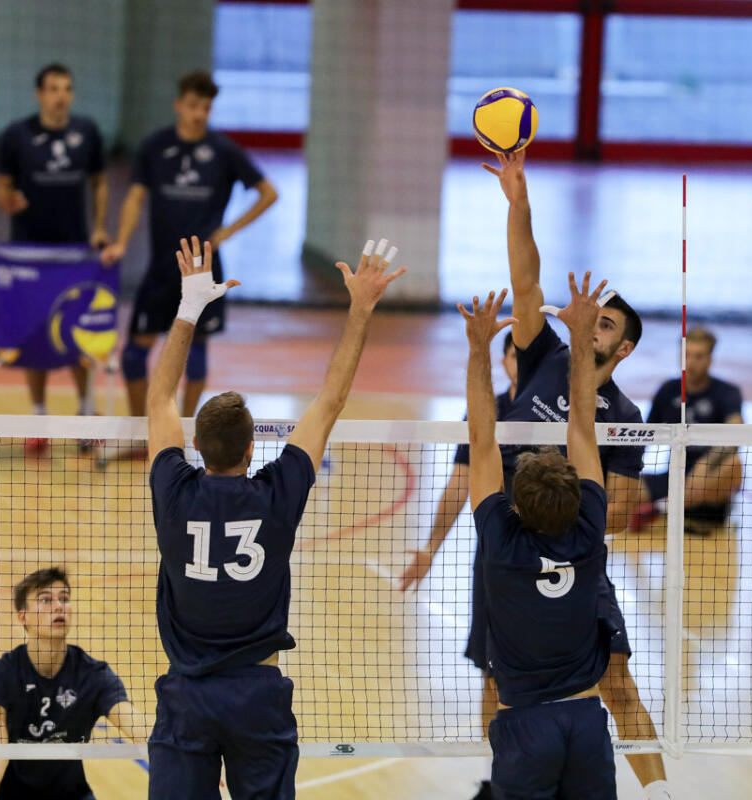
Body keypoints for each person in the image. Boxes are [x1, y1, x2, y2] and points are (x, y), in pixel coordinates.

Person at [144, 235, 404, 799]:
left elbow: (160, 399)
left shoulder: (173, 492)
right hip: (257, 696)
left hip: (187, 694)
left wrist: (190, 305)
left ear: (196, 445)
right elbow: (329, 402)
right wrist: (361, 308)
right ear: (250, 450)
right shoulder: (277, 495)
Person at [476, 151, 672, 800]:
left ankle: (660, 793)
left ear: (623, 347)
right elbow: (526, 280)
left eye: (605, 323)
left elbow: (619, 506)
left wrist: (564, 517)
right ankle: (503, 781)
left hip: (577, 561)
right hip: (507, 548)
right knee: (497, 682)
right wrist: (519, 203)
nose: (592, 324)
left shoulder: (624, 416)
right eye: (592, 316)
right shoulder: (544, 357)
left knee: (618, 683)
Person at [462, 275, 616, 799]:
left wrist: (479, 349)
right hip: (586, 722)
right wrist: (580, 341)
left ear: (517, 506)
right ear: (578, 497)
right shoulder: (589, 532)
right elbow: (582, 427)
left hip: (525, 726)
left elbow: (481, 439)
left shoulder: (501, 545)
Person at [102, 70, 278, 425]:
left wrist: (228, 231)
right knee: (134, 354)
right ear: (179, 104)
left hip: (203, 270)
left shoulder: (224, 151)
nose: (199, 114)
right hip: (161, 268)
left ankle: (182, 432)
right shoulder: (154, 146)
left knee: (196, 354)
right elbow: (135, 197)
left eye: (206, 108)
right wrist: (121, 242)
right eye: (194, 105)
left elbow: (268, 193)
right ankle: (141, 433)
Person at [0, 63, 110, 453]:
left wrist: (99, 227)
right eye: (54, 89)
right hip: (29, 252)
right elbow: (1, 188)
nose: (61, 95)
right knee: (35, 335)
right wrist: (9, 199)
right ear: (39, 94)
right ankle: (39, 418)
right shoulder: (17, 135)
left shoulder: (87, 132)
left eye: (67, 88)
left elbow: (100, 181)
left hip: (75, 252)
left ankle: (85, 414)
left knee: (78, 332)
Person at [0, 567, 149, 800]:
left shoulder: (94, 675)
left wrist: (176, 751)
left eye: (64, 598)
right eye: (45, 600)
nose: (59, 606)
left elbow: (134, 722)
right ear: (23, 617)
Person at [399, 332, 517, 593]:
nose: (522, 365)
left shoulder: (557, 411)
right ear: (504, 361)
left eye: (529, 358)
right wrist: (431, 549)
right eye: (515, 356)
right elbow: (459, 484)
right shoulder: (488, 410)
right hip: (492, 552)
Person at [637, 326, 744, 532]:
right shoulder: (668, 390)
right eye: (686, 355)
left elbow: (735, 434)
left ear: (710, 359)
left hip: (709, 481)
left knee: (733, 465)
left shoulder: (727, 392)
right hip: (673, 477)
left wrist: (706, 463)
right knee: (622, 484)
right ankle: (666, 506)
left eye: (698, 356)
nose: (691, 362)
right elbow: (645, 436)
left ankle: (660, 509)